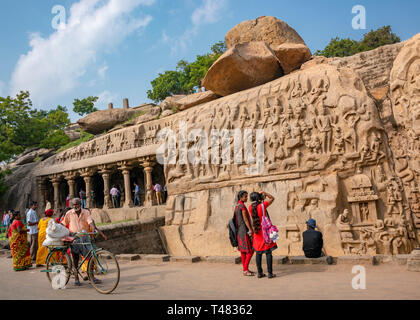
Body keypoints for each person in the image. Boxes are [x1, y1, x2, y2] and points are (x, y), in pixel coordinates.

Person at [61, 198, 106, 286]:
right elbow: (63, 223)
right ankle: (76, 278)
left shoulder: (86, 212)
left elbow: (90, 222)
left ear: (80, 204)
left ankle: (91, 276)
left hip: (85, 237)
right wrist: (56, 228)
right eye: (73, 205)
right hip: (74, 237)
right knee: (75, 258)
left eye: (77, 204)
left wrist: (93, 229)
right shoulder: (69, 213)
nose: (75, 206)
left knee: (91, 256)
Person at [249, 191, 277, 279]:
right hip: (265, 231)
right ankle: (270, 273)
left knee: (258, 253)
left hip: (257, 231)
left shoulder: (250, 207)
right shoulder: (262, 205)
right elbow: (272, 198)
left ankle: (260, 273)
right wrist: (264, 193)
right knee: (268, 252)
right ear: (259, 198)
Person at [235, 190, 255, 276]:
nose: (247, 198)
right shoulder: (242, 206)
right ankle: (245, 269)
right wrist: (250, 230)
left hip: (239, 231)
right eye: (245, 196)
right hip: (244, 230)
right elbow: (246, 219)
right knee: (250, 251)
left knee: (243, 251)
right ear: (241, 197)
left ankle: (245, 269)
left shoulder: (237, 206)